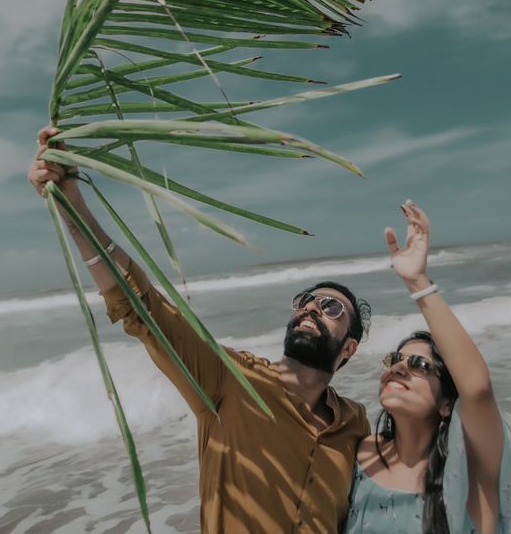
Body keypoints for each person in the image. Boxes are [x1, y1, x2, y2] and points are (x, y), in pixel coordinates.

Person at [28, 126, 373, 533]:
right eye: (304, 301)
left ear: (349, 348)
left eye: (330, 307)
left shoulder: (354, 423)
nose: (311, 308)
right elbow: (145, 309)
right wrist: (74, 208)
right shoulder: (231, 380)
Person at [346, 201, 511, 534]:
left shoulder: (468, 467)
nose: (398, 369)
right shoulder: (362, 452)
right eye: (394, 360)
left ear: (446, 402)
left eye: (419, 364)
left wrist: (417, 282)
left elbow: (477, 387)